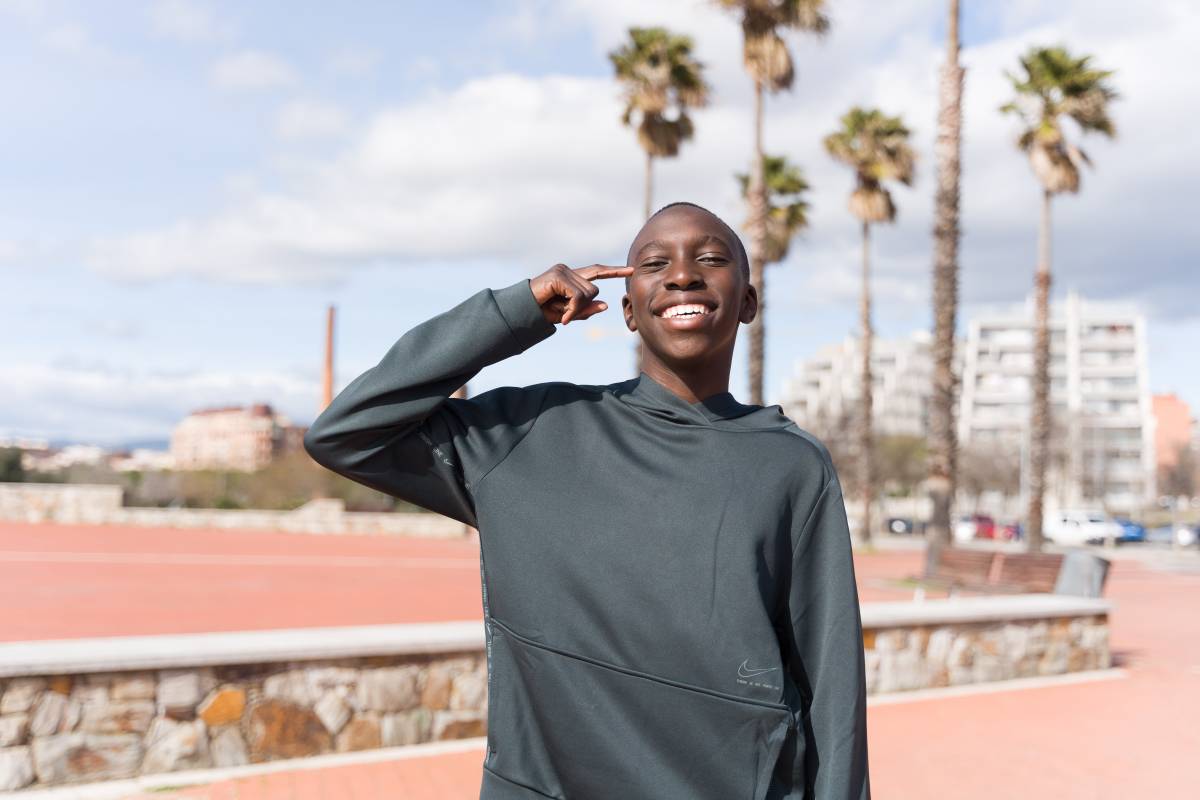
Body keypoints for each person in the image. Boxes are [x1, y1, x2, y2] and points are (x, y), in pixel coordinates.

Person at [304, 201, 871, 799]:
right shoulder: (528, 432)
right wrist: (517, 311)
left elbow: (829, 678)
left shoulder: (791, 463)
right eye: (655, 264)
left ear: (748, 301)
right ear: (628, 310)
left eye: (710, 258)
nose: (683, 275)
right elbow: (345, 433)